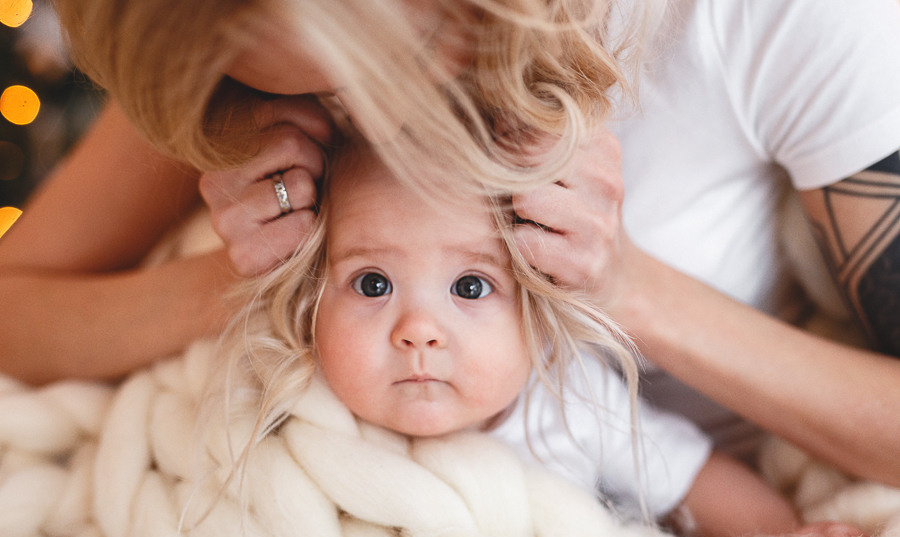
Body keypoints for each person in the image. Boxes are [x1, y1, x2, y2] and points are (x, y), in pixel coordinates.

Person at [1, 0, 898, 498]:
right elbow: (15, 308)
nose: (374, 123)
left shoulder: (790, 23)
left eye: (414, 58)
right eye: (319, 92)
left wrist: (629, 289)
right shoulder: (240, 35)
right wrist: (259, 278)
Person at [219, 134, 863, 537]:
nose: (418, 328)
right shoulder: (300, 406)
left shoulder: (570, 400)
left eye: (470, 287)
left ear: (538, 305)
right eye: (372, 282)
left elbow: (694, 480)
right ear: (312, 301)